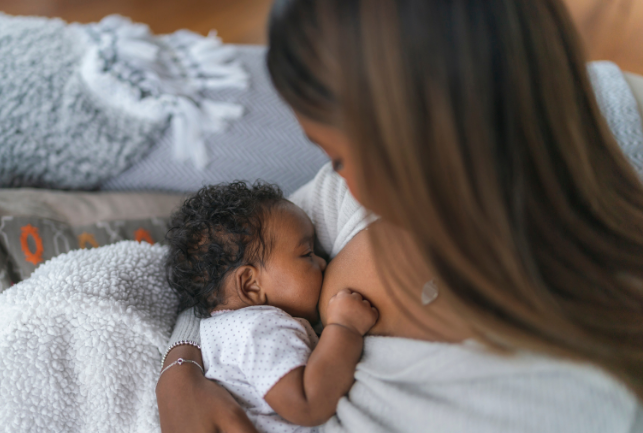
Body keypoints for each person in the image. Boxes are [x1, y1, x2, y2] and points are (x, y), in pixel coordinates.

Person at [155, 1, 643, 432]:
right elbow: (221, 269)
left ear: (418, 138)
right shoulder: (353, 204)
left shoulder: (558, 399)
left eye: (341, 158)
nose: (334, 176)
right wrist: (179, 373)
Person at [163, 181, 378, 432]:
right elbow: (307, 402)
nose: (322, 262)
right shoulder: (260, 328)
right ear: (250, 285)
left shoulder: (226, 331)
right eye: (307, 253)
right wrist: (344, 327)